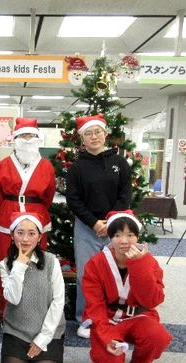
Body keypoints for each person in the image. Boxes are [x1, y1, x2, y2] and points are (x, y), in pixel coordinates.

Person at [82, 210, 172, 363]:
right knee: (108, 361)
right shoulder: (96, 263)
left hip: (140, 316)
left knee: (158, 336)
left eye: (130, 235)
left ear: (137, 237)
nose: (124, 241)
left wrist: (139, 265)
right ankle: (109, 353)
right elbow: (95, 305)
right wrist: (107, 338)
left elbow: (152, 300)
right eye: (117, 235)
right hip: (108, 318)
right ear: (110, 237)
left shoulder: (149, 262)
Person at [66, 114, 132, 338]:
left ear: (105, 134)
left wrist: (111, 221)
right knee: (86, 275)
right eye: (88, 133)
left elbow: (125, 194)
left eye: (97, 132)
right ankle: (86, 318)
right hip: (87, 227)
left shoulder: (120, 163)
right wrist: (94, 223)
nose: (93, 137)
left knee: (116, 273)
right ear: (82, 139)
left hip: (116, 228)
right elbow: (73, 200)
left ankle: (113, 316)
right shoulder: (76, 167)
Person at [0, 117, 56, 316]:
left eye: (31, 136)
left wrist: (36, 209)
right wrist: (8, 208)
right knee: (5, 261)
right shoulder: (3, 165)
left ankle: (32, 309)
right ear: (15, 139)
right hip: (8, 218)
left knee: (36, 262)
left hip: (37, 218)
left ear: (37, 139)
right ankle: (4, 310)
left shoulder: (46, 166)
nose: (27, 140)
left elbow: (49, 195)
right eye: (23, 136)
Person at [0, 212, 66, 363]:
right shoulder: (5, 264)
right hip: (17, 330)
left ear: (40, 237)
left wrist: (43, 338)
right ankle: (25, 360)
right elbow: (13, 298)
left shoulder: (51, 261)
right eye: (20, 233)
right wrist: (19, 266)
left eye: (31, 233)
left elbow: (58, 300)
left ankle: (38, 360)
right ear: (12, 235)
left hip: (48, 331)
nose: (25, 239)